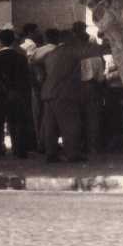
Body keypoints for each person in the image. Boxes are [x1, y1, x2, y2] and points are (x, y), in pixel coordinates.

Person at [37, 24, 87, 163]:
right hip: (64, 93)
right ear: (69, 39)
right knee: (70, 124)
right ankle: (72, 153)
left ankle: (51, 153)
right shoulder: (72, 53)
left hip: (48, 92)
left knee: (50, 125)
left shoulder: (52, 53)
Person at [0, 28, 35, 159]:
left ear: (0, 41)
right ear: (13, 41)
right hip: (17, 93)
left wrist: (4, 89)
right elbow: (25, 77)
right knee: (17, 121)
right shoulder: (21, 57)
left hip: (0, 94)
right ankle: (19, 149)